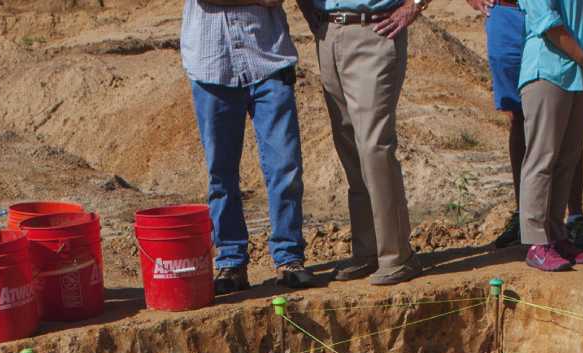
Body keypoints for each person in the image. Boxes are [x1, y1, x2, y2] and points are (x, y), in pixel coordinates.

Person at [180, 0, 324, 294]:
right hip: (212, 65)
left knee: (285, 166)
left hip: (267, 59)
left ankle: (289, 259)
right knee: (221, 172)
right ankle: (231, 260)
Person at [301, 0, 427, 284]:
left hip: (375, 30)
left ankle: (397, 256)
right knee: (348, 146)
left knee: (374, 146)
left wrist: (415, 6)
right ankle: (368, 251)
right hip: (329, 32)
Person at [472, 0, 583, 252]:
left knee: (566, 146)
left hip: (572, 50)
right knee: (536, 143)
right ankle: (535, 234)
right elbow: (546, 20)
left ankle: (559, 229)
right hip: (538, 44)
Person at [515, 0, 583, 270]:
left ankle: (556, 236)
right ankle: (536, 242)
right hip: (548, 70)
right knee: (542, 159)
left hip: (581, 75)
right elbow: (548, 23)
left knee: (566, 159)